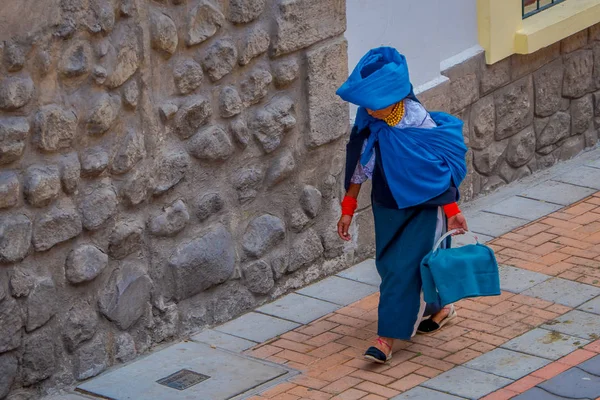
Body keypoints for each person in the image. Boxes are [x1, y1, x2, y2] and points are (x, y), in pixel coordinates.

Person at [336, 47, 469, 364]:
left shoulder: (416, 120)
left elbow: (439, 169)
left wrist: (452, 212)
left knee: (401, 271)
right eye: (368, 105)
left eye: (378, 104)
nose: (373, 110)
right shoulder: (369, 120)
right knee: (394, 266)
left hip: (425, 205)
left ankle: (385, 340)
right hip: (388, 206)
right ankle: (441, 307)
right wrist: (348, 206)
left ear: (396, 97)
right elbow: (360, 166)